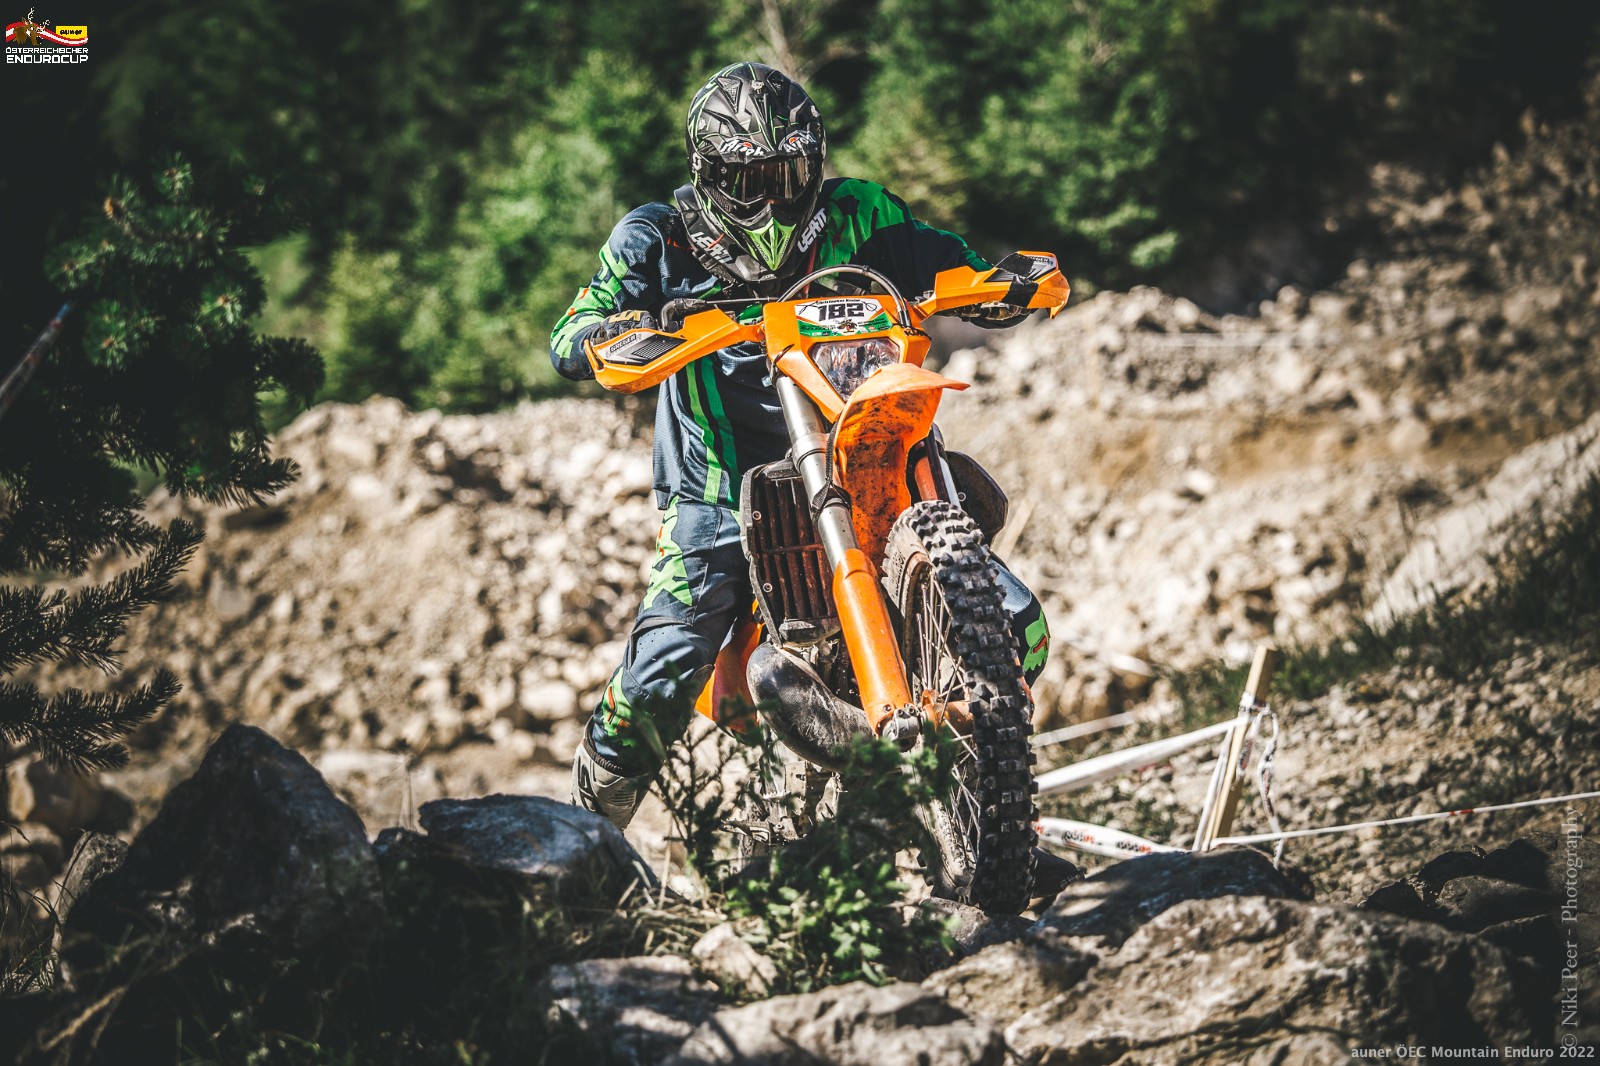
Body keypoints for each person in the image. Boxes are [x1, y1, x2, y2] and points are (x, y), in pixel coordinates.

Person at [551, 62, 1052, 831]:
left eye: (789, 177)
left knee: (1017, 624)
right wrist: (616, 331)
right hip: (721, 482)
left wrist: (1000, 281)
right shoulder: (657, 238)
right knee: (666, 662)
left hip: (866, 445)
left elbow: (951, 265)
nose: (773, 201)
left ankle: (986, 822)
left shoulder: (861, 213)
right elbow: (571, 333)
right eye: (750, 181)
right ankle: (585, 833)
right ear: (709, 174)